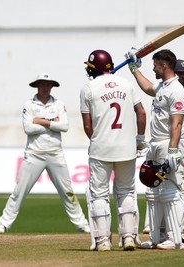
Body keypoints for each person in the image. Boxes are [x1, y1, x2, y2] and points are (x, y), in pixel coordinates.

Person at [0, 73, 90, 234]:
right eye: (42, 84)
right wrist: (53, 122)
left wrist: (41, 120)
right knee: (19, 191)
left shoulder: (58, 104)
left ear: (52, 86)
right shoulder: (29, 104)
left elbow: (65, 126)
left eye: (48, 84)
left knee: (68, 192)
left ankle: (82, 224)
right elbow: (28, 129)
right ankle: (3, 224)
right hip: (34, 154)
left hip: (55, 153)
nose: (45, 88)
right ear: (37, 86)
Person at [80, 50, 147, 251]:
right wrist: (140, 139)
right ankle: (128, 237)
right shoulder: (126, 84)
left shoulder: (88, 88)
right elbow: (141, 113)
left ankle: (102, 241)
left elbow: (87, 125)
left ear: (96, 69)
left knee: (99, 194)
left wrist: (99, 140)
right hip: (127, 148)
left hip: (101, 148)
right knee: (126, 191)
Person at [126, 48, 184, 250]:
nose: (153, 68)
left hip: (166, 144)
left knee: (169, 192)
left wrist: (172, 151)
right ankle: (155, 237)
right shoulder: (162, 86)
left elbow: (176, 124)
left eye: (154, 65)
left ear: (164, 65)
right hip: (154, 143)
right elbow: (146, 88)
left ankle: (175, 239)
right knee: (153, 191)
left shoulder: (176, 90)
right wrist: (134, 68)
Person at [142, 59, 184, 236]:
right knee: (155, 184)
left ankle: (177, 227)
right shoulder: (165, 89)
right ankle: (154, 226)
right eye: (180, 73)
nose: (182, 76)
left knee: (181, 185)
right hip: (168, 141)